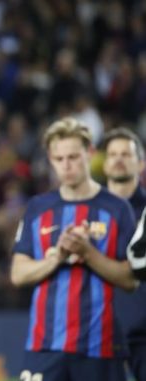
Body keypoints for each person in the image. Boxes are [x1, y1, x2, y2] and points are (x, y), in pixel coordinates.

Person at [10, 117, 138, 381]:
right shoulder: (38, 208)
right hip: (44, 346)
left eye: (73, 157)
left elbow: (130, 280)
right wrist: (57, 257)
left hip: (99, 347)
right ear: (50, 160)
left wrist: (88, 253)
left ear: (89, 154)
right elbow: (18, 274)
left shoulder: (116, 209)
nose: (66, 166)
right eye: (59, 159)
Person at [101, 127, 146, 381]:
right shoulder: (89, 211)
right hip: (98, 333)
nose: (119, 159)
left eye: (126, 155)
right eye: (113, 154)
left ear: (141, 164)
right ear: (104, 164)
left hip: (143, 333)